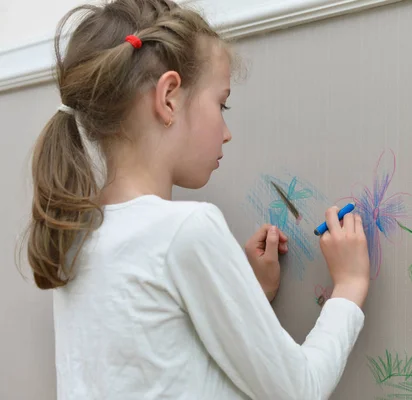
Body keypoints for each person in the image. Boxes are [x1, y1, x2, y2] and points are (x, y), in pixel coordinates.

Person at [24, 0, 371, 399]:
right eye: (221, 104)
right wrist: (349, 284)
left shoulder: (76, 233)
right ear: (169, 97)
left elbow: (164, 360)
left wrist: (247, 294)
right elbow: (298, 390)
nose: (227, 132)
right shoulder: (187, 230)